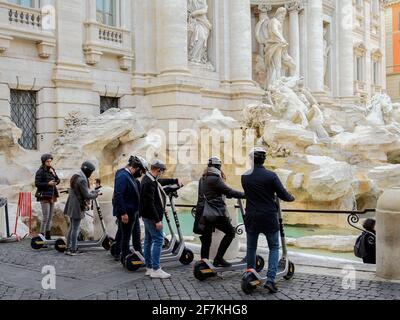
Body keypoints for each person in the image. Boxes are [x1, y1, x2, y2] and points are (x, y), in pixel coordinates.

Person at [241, 147, 295, 294]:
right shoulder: (271, 175)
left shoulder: (244, 176)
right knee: (274, 247)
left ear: (251, 159)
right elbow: (283, 194)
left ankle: (250, 274)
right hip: (269, 216)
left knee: (251, 248)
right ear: (264, 159)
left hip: (251, 216)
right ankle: (270, 280)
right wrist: (291, 197)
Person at [194, 157, 245, 268]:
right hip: (215, 213)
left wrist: (226, 194)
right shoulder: (215, 178)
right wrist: (245, 194)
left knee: (207, 239)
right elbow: (228, 190)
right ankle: (218, 259)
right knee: (230, 232)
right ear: (218, 166)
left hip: (204, 213)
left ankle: (204, 264)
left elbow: (213, 193)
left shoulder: (203, 178)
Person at [140, 160, 179, 279]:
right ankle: (156, 269)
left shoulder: (149, 179)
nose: (161, 174)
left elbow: (160, 182)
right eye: (161, 172)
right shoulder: (149, 182)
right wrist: (157, 220)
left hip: (147, 216)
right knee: (159, 240)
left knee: (148, 241)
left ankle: (149, 267)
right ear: (158, 170)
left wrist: (173, 180)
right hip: (152, 217)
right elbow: (150, 203)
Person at [112, 156, 148, 264]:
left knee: (136, 235)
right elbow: (118, 195)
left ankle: (138, 255)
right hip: (127, 212)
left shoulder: (129, 175)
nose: (141, 174)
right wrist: (123, 213)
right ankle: (125, 259)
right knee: (125, 237)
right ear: (136, 168)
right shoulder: (123, 176)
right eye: (141, 171)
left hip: (133, 212)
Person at [64, 161, 100, 256]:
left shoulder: (75, 176)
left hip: (72, 204)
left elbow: (82, 191)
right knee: (75, 228)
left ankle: (68, 248)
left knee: (72, 227)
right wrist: (96, 194)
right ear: (87, 170)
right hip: (77, 206)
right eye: (91, 172)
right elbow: (86, 194)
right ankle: (73, 249)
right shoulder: (82, 180)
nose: (91, 174)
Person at [35, 154, 60, 240]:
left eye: (50, 161)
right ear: (44, 162)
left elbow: (58, 181)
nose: (49, 163)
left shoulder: (52, 170)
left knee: (50, 217)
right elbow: (37, 184)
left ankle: (48, 236)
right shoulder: (40, 171)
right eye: (47, 161)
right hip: (44, 196)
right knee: (45, 217)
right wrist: (48, 184)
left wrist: (54, 174)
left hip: (52, 195)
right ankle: (41, 237)